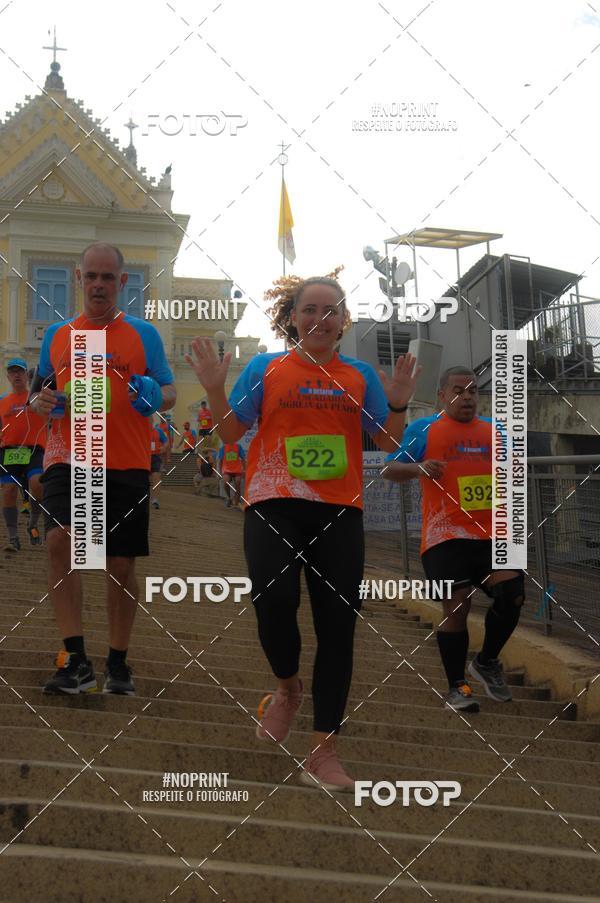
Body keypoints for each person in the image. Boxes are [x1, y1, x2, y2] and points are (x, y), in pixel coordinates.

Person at [186, 272, 419, 791]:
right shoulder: (267, 368)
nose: (319, 318)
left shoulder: (358, 375)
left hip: (338, 511)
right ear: (293, 318)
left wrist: (399, 400)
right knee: (273, 601)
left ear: (343, 322)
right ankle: (287, 688)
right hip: (273, 502)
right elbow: (230, 431)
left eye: (330, 310)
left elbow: (386, 442)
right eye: (309, 310)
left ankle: (323, 749)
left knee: (338, 629)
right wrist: (213, 388)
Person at [31, 242, 176, 696]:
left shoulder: (143, 334)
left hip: (125, 458)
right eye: (90, 276)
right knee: (61, 539)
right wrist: (41, 402)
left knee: (118, 563)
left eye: (107, 278)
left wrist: (155, 392)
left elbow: (169, 393)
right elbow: (40, 394)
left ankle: (117, 661)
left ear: (122, 282)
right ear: (79, 278)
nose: (98, 285)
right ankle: (75, 659)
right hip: (70, 453)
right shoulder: (58, 335)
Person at [383, 366, 525, 713]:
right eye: (458, 391)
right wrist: (419, 467)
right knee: (458, 606)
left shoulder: (497, 431)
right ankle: (457, 687)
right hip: (444, 537)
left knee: (513, 595)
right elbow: (389, 469)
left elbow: (515, 472)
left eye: (473, 391)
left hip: (492, 535)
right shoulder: (424, 430)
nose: (467, 397)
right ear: (442, 396)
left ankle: (487, 661)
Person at [0, 359, 48, 550]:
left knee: (37, 483)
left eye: (20, 371)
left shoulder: (36, 398)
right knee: (9, 490)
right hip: (10, 451)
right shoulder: (3, 401)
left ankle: (33, 523)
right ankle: (13, 537)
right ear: (8, 376)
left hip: (34, 449)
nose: (17, 375)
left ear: (27, 375)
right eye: (13, 372)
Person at [217, 440, 246, 507]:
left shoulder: (239, 446)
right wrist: (220, 471)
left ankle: (236, 501)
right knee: (226, 482)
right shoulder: (223, 448)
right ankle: (229, 498)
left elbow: (243, 459)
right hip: (227, 469)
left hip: (237, 469)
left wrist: (244, 470)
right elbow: (220, 460)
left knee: (237, 482)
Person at [150, 420, 168, 509]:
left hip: (155, 457)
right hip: (142, 457)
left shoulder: (158, 430)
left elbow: (165, 440)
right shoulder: (140, 428)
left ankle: (155, 500)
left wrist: (164, 447)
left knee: (156, 478)